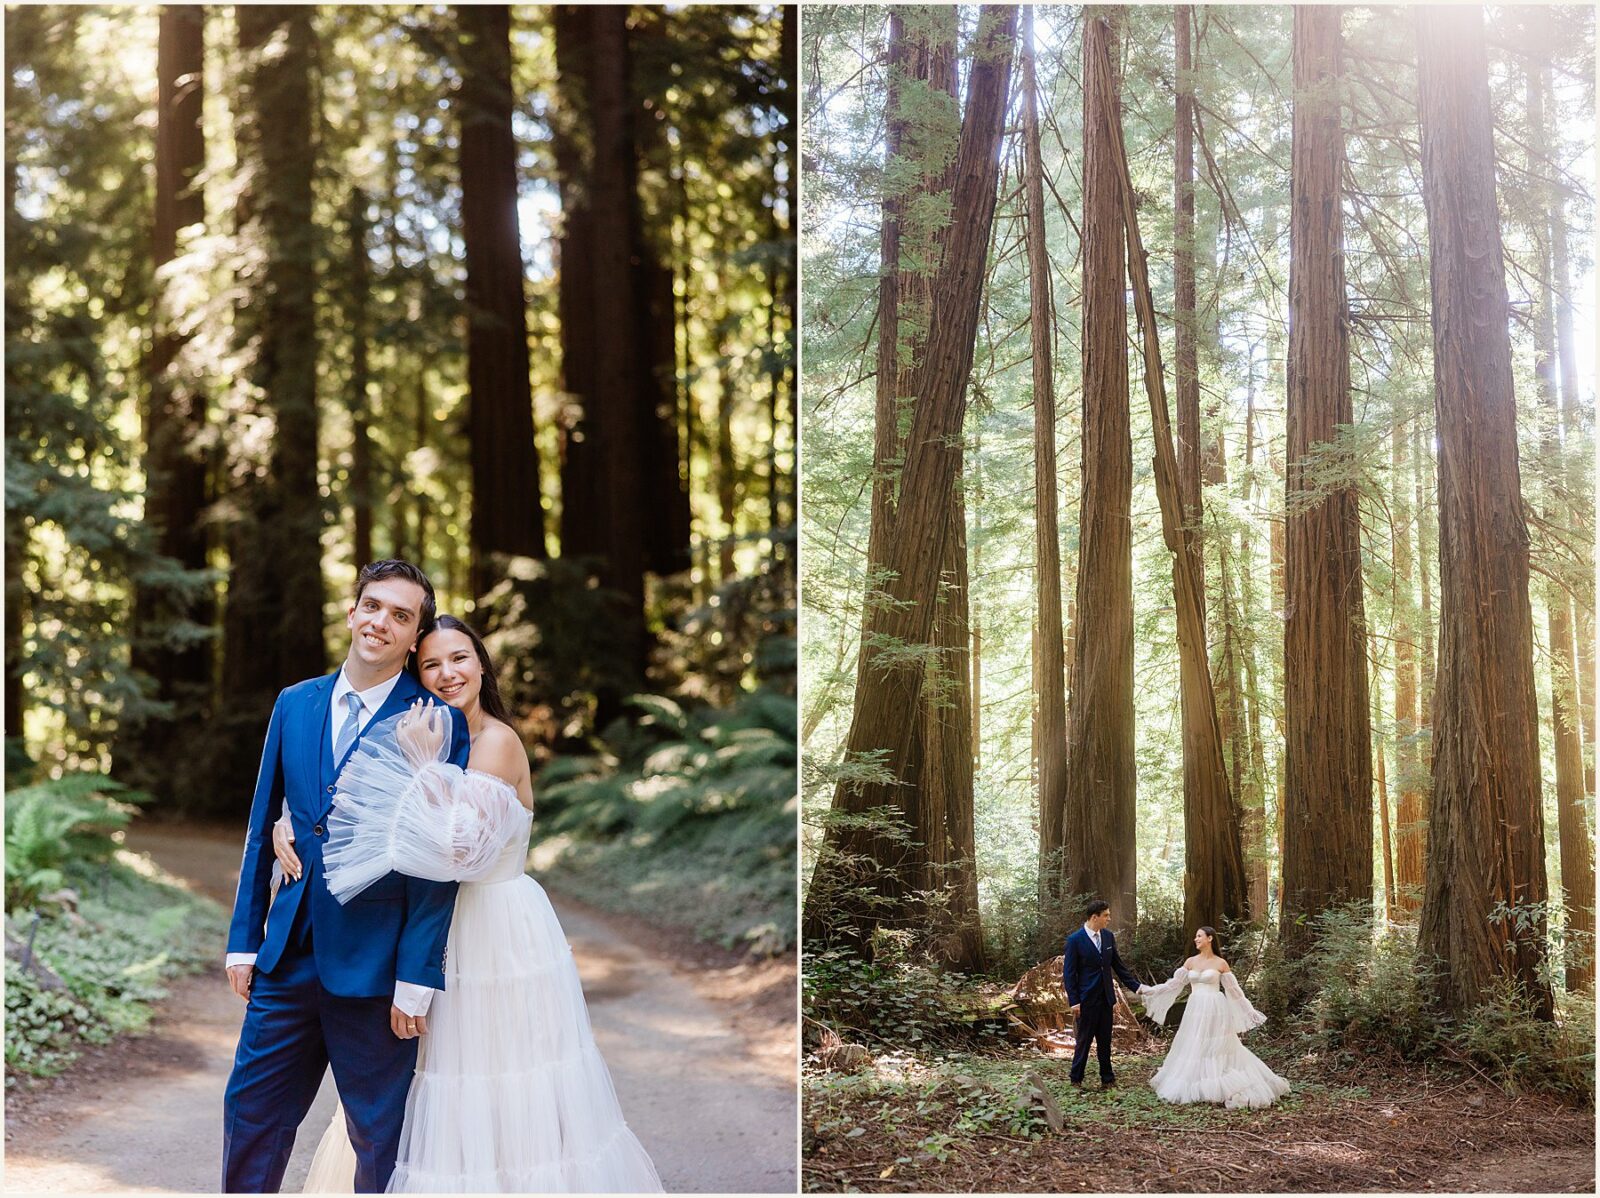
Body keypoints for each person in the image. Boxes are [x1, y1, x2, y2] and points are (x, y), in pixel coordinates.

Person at [275, 615, 662, 1193]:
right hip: (428, 929)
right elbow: (355, 815)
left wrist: (426, 768)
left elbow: (459, 851)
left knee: (498, 1077)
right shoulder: (415, 734)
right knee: (418, 1077)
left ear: (481, 664)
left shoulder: (496, 742)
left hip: (495, 929)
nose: (446, 673)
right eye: (430, 664)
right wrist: (288, 820)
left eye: (458, 658)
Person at [222, 560, 471, 1193]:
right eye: (373, 606)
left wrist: (417, 976)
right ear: (353, 611)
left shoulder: (435, 719)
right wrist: (244, 939)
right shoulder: (294, 703)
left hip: (376, 967)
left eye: (401, 615)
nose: (380, 622)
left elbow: (436, 861)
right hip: (287, 953)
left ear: (415, 637)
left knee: (377, 1136)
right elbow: (262, 825)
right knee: (251, 1113)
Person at [1134, 926, 1290, 1109]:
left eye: (1199, 936)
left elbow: (1235, 992)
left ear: (1210, 939)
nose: (1195, 939)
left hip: (1215, 1008)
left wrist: (1249, 1012)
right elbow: (1173, 985)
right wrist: (1149, 990)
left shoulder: (1220, 963)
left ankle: (1219, 1082)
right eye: (1195, 936)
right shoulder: (1190, 962)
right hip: (1195, 1008)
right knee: (1195, 1043)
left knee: (1217, 1046)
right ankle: (1198, 1082)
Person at [1061, 899, 1142, 1089]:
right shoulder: (1075, 940)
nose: (1109, 918)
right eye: (1105, 915)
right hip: (1085, 1000)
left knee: (1105, 1041)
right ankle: (1076, 1078)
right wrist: (1074, 1001)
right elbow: (1069, 973)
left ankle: (1107, 1078)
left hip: (1106, 998)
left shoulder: (1107, 937)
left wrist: (1136, 987)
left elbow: (1118, 966)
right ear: (1094, 917)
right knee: (1084, 1041)